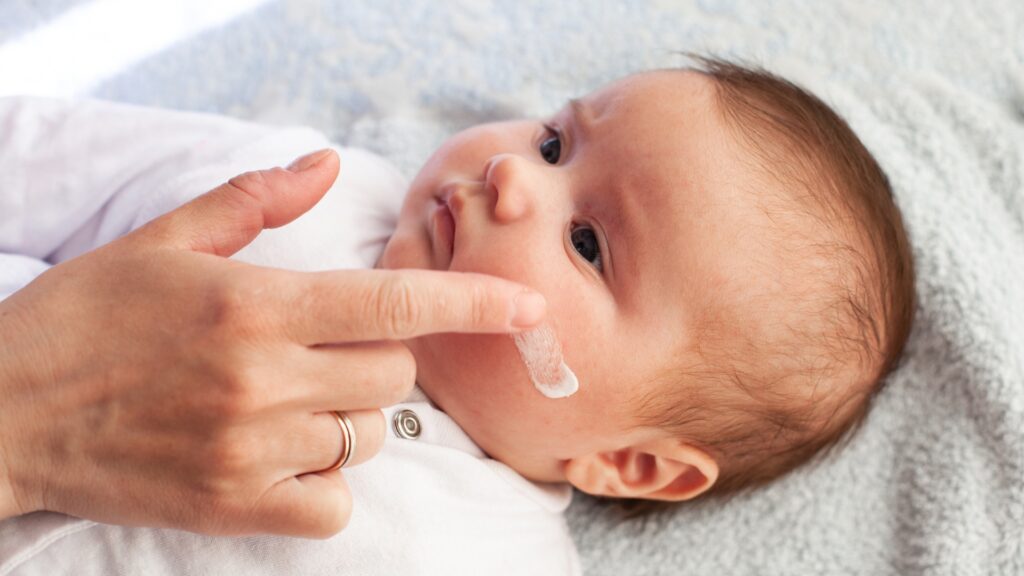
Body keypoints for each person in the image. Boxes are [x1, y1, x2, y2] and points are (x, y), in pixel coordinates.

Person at [0, 58, 915, 574]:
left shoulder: (493, 559)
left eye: (589, 244)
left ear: (630, 462)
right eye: (556, 140)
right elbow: (36, 158)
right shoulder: (305, 187)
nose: (514, 174)